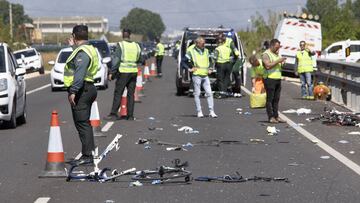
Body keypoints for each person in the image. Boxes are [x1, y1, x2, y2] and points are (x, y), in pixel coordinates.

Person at [64, 25, 99, 165]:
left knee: (82, 124)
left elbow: (79, 72)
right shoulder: (88, 49)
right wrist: (73, 47)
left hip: (82, 90)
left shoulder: (83, 52)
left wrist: (73, 91)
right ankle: (89, 153)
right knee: (85, 123)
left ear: (74, 36)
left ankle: (87, 156)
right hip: (88, 88)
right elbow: (80, 62)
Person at [105, 28, 142, 121]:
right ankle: (130, 116)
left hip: (123, 72)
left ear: (122, 35)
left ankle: (113, 114)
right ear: (130, 35)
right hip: (133, 72)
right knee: (131, 94)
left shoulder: (121, 45)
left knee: (118, 93)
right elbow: (140, 59)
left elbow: (116, 60)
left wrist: (112, 72)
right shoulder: (136, 45)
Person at [181, 37, 217, 118]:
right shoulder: (191, 51)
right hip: (196, 75)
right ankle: (199, 111)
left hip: (205, 75)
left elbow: (211, 60)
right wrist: (189, 69)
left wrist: (211, 68)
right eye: (202, 43)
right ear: (197, 44)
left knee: (209, 93)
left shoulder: (206, 51)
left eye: (204, 43)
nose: (204, 44)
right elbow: (183, 61)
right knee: (197, 94)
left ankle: (211, 111)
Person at [261, 39, 286, 123]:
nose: (277, 49)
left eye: (279, 47)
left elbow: (278, 65)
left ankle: (276, 116)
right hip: (269, 79)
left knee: (276, 99)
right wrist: (278, 61)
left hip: (277, 79)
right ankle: (271, 117)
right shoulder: (266, 54)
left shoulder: (276, 54)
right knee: (270, 99)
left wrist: (282, 62)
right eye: (276, 47)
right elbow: (267, 66)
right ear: (271, 46)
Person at [214, 34, 233, 98]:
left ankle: (222, 93)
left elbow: (214, 58)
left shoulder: (217, 49)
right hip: (228, 65)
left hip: (221, 65)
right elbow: (231, 57)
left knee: (220, 79)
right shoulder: (228, 49)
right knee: (226, 79)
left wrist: (211, 66)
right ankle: (224, 92)